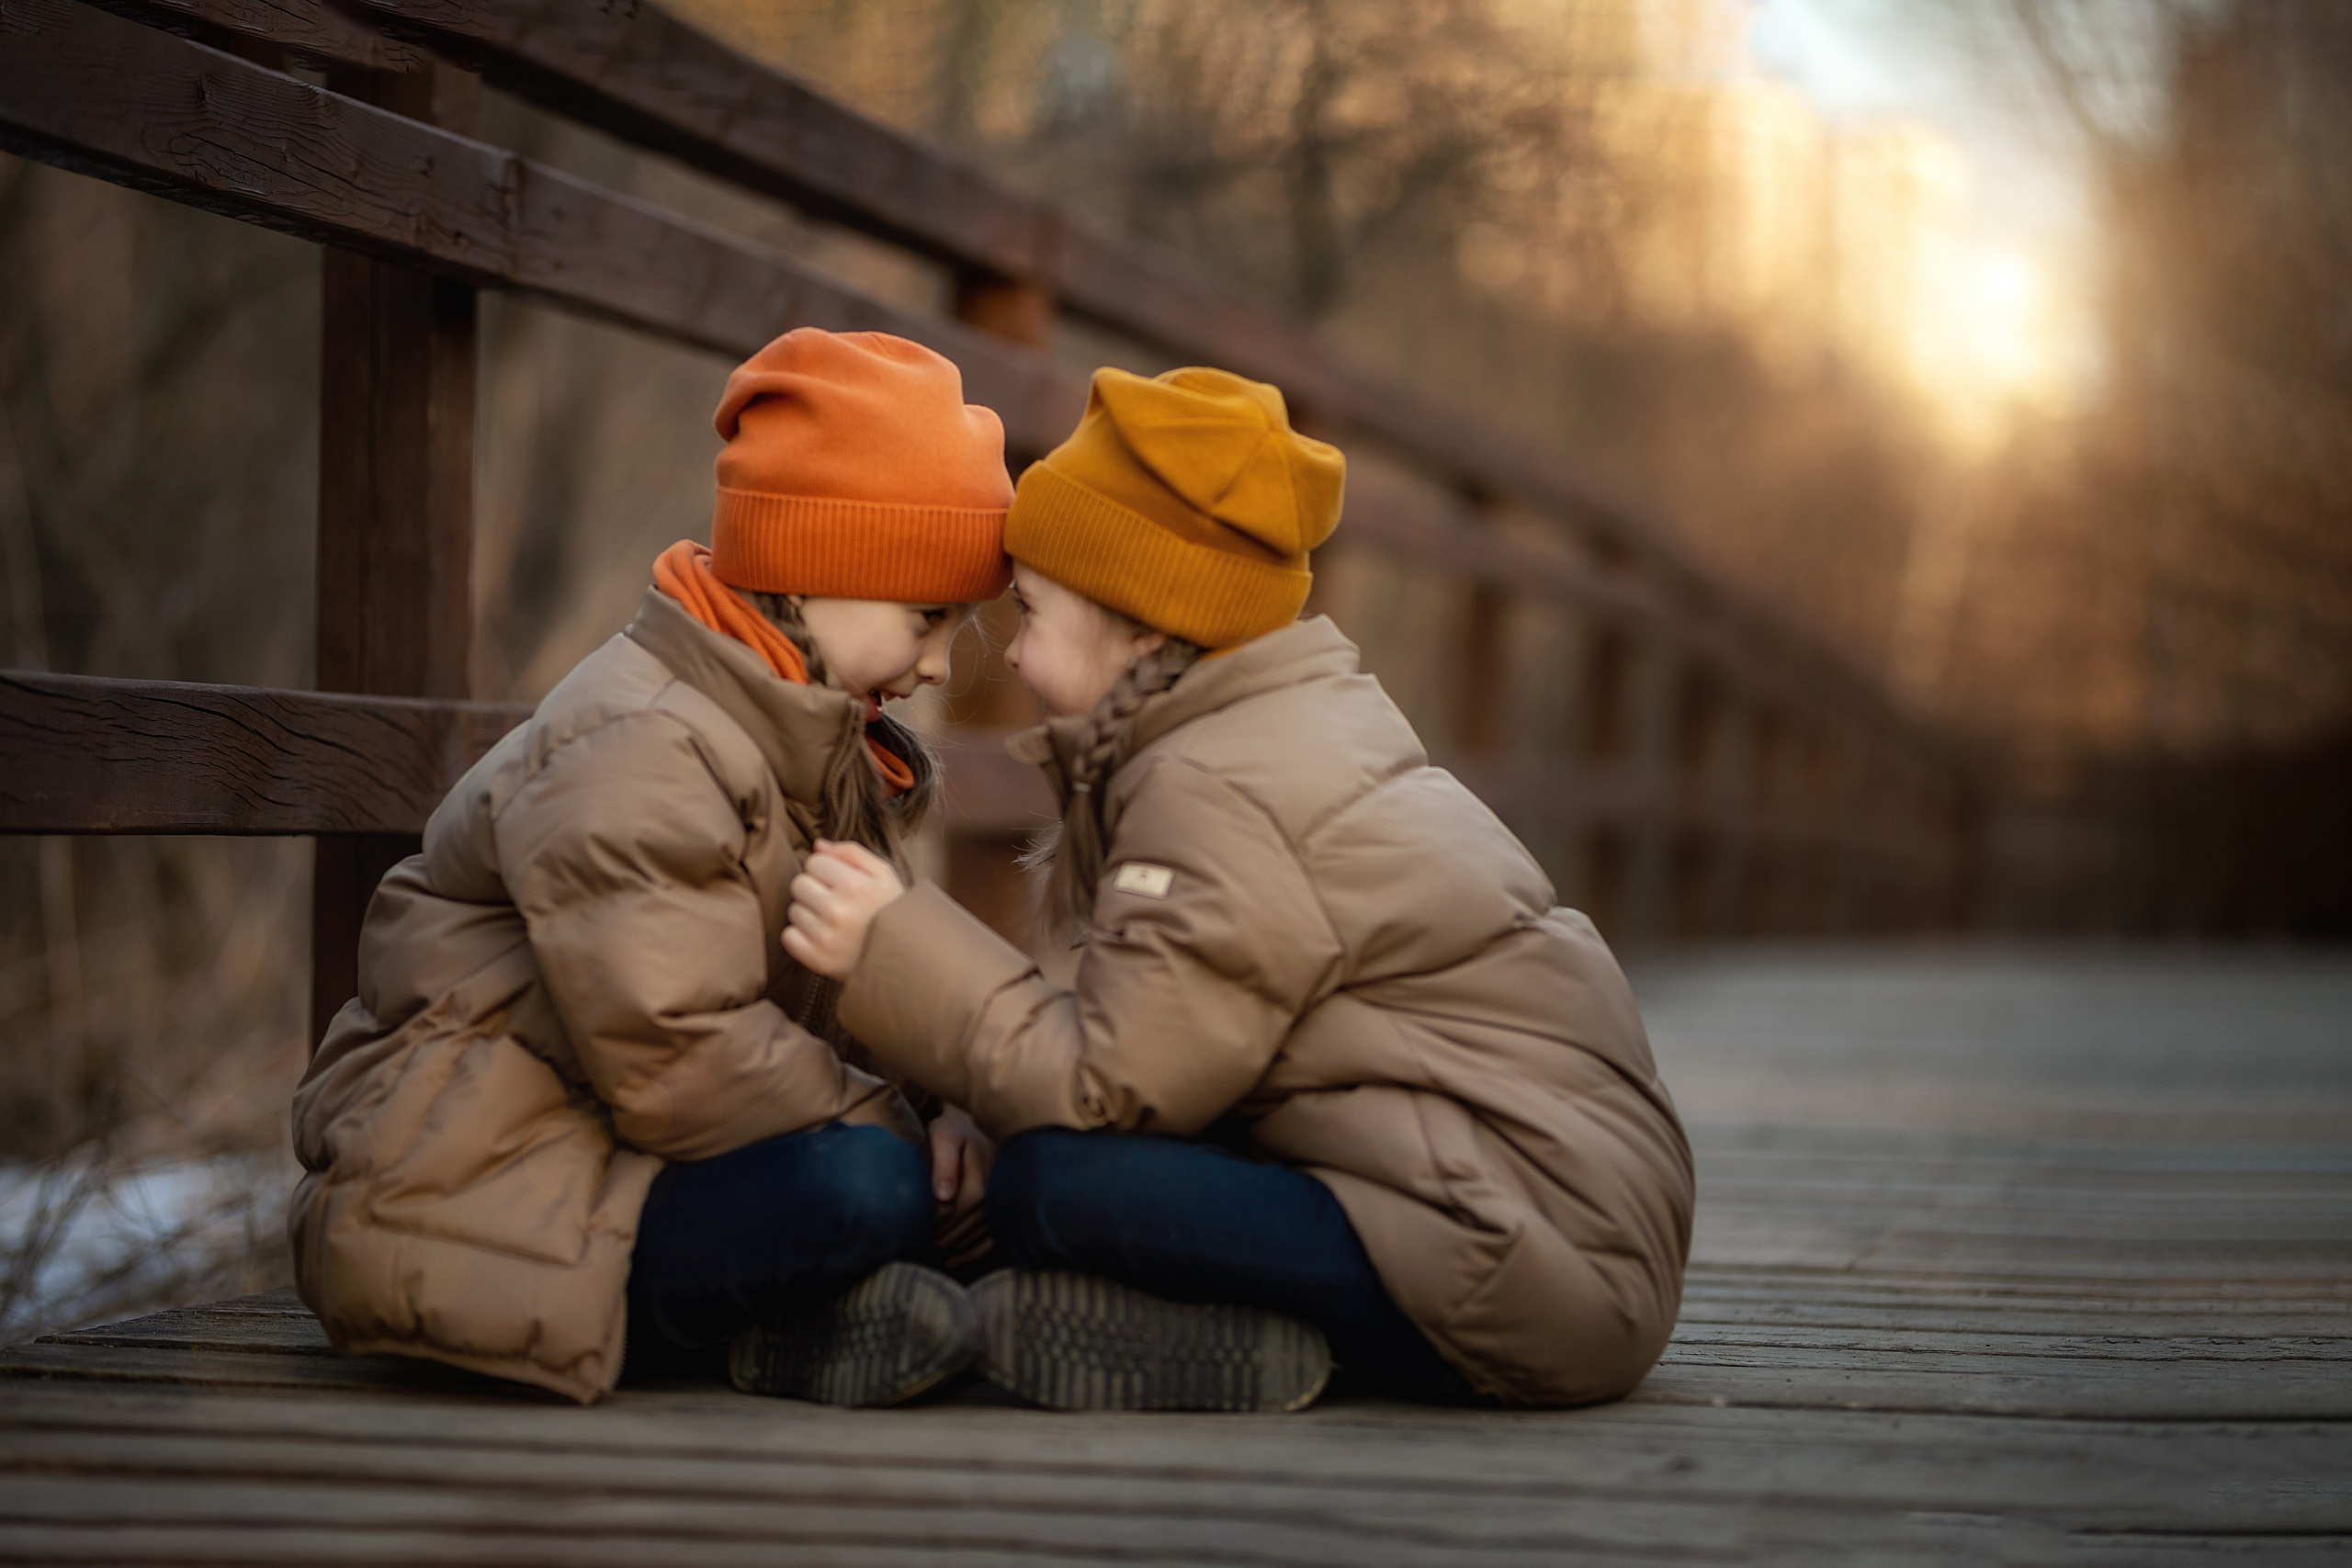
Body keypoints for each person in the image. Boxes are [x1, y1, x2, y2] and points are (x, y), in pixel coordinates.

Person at [781, 365, 1696, 1411]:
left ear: (1143, 622)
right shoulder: (1265, 725)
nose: (1019, 660)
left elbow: (1100, 1094)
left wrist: (893, 945)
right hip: (1543, 1226)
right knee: (1035, 1157)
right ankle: (1182, 1330)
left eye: (1031, 612)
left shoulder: (1218, 786)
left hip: (1532, 1263)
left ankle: (1221, 1334)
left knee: (1054, 1186)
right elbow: (1161, 1017)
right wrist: (976, 1103)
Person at [288, 329, 1012, 1406]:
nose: (938, 666)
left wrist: (960, 1105)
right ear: (822, 569)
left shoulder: (795, 736)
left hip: (621, 1157)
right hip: (470, 1197)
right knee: (868, 1186)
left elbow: (849, 978)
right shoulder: (638, 745)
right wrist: (907, 1137)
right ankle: (798, 1316)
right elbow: (679, 1059)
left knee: (969, 1173)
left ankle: (849, 1317)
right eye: (926, 618)